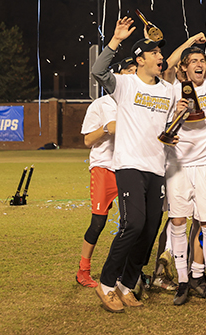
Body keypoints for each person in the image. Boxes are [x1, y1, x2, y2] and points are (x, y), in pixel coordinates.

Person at [90, 17, 184, 313]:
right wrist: (116, 40)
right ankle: (107, 283)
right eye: (155, 53)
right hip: (130, 165)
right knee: (133, 224)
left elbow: (165, 127)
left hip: (157, 167)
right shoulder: (125, 84)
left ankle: (127, 285)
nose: (161, 57)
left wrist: (176, 121)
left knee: (149, 229)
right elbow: (97, 70)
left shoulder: (168, 90)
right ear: (140, 59)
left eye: (161, 53)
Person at [160, 43, 206, 306]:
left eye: (202, 60)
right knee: (177, 222)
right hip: (178, 166)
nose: (200, 64)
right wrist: (175, 117)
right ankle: (183, 281)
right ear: (184, 68)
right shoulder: (172, 91)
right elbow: (163, 128)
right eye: (193, 61)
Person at [76, 58, 136, 288]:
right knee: (98, 222)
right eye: (128, 72)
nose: (132, 76)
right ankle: (83, 270)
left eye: (135, 72)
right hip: (104, 167)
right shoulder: (101, 104)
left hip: (128, 166)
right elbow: (88, 140)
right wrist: (107, 129)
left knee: (131, 223)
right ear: (118, 75)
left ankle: (123, 271)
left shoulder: (136, 103)